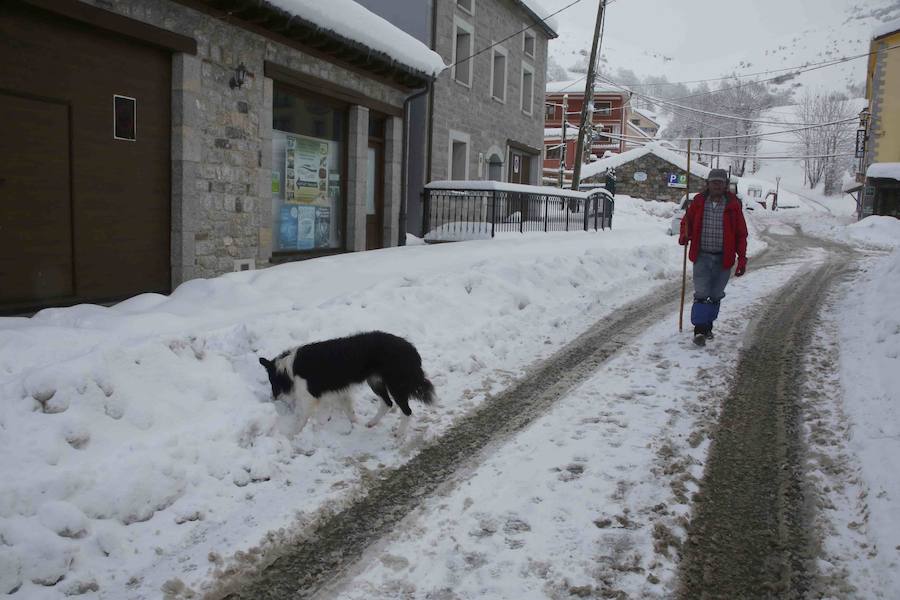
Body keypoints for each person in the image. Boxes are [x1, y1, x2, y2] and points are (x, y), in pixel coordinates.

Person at [678, 168, 748, 346]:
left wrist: (742, 258)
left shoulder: (733, 206)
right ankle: (699, 330)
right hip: (701, 255)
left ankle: (708, 325)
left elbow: (741, 234)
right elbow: (687, 221)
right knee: (701, 293)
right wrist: (685, 235)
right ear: (707, 184)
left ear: (725, 186)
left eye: (720, 182)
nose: (716, 185)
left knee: (716, 294)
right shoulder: (699, 202)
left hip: (724, 259)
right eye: (713, 182)